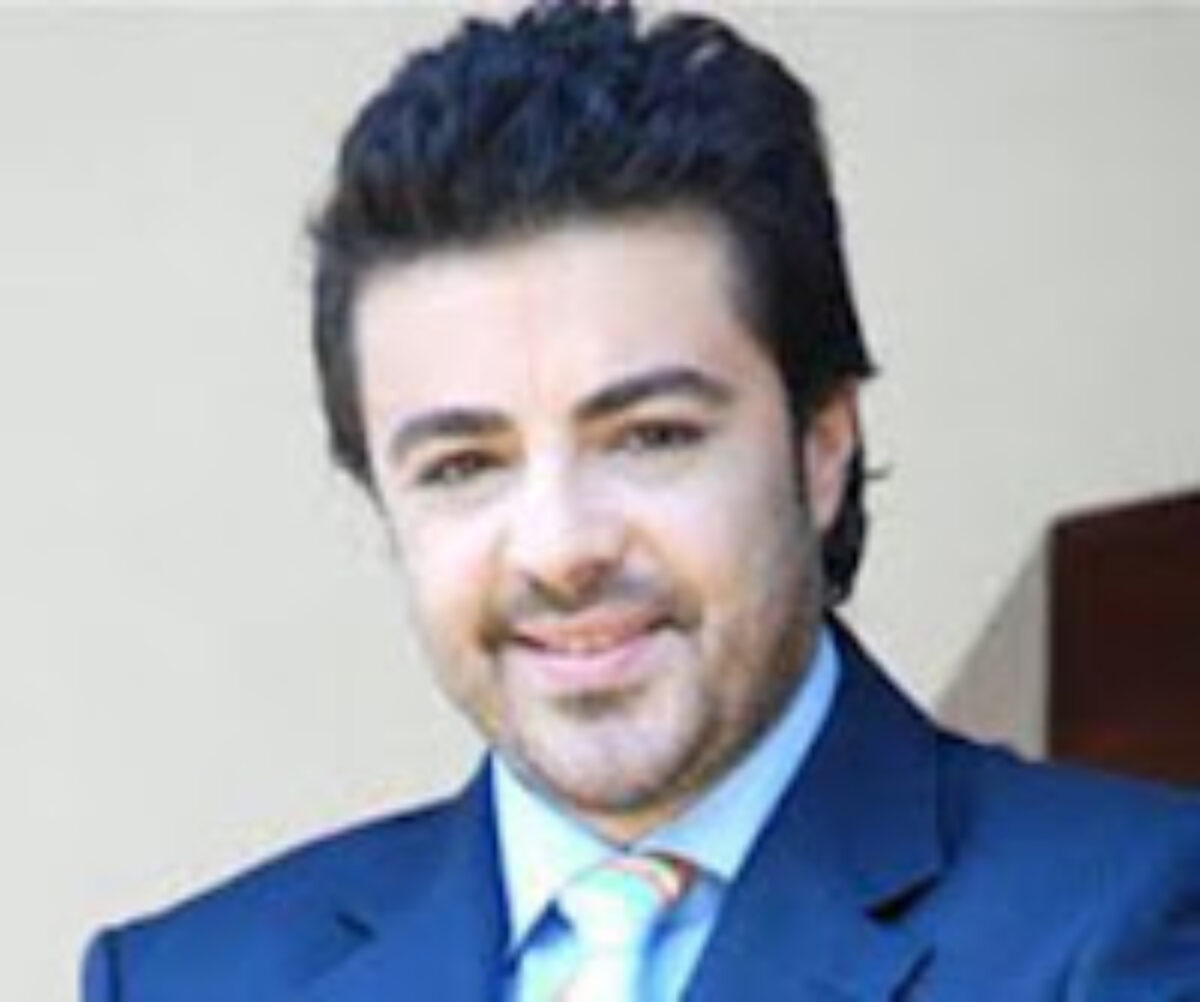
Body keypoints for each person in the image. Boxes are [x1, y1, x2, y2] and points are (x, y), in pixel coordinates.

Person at [84, 2, 1200, 999]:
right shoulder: (181, 983)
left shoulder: (1129, 922)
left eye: (651, 437)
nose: (560, 549)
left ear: (822, 449)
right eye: (464, 465)